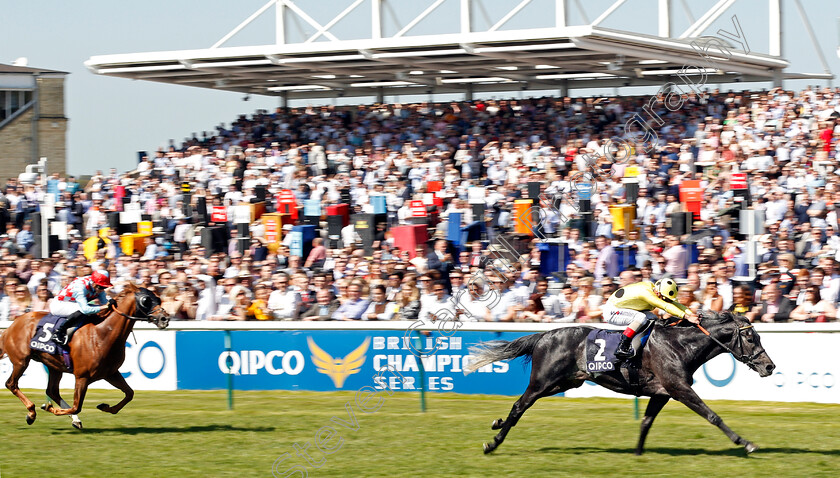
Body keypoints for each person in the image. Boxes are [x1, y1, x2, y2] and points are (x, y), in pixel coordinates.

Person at [603, 278, 698, 360]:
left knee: (654, 318)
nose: (666, 301)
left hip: (624, 308)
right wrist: (686, 316)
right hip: (612, 310)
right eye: (665, 298)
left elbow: (675, 304)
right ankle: (622, 347)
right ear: (658, 293)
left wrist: (691, 314)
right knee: (641, 318)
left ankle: (645, 346)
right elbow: (665, 306)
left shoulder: (657, 290)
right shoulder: (646, 293)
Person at [50, 270, 115, 345]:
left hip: (74, 303)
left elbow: (105, 303)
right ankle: (58, 333)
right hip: (59, 305)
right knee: (82, 309)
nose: (102, 290)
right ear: (93, 283)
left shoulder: (98, 287)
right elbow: (85, 309)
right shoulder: (80, 286)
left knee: (97, 309)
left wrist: (110, 302)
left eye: (104, 287)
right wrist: (104, 307)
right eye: (100, 287)